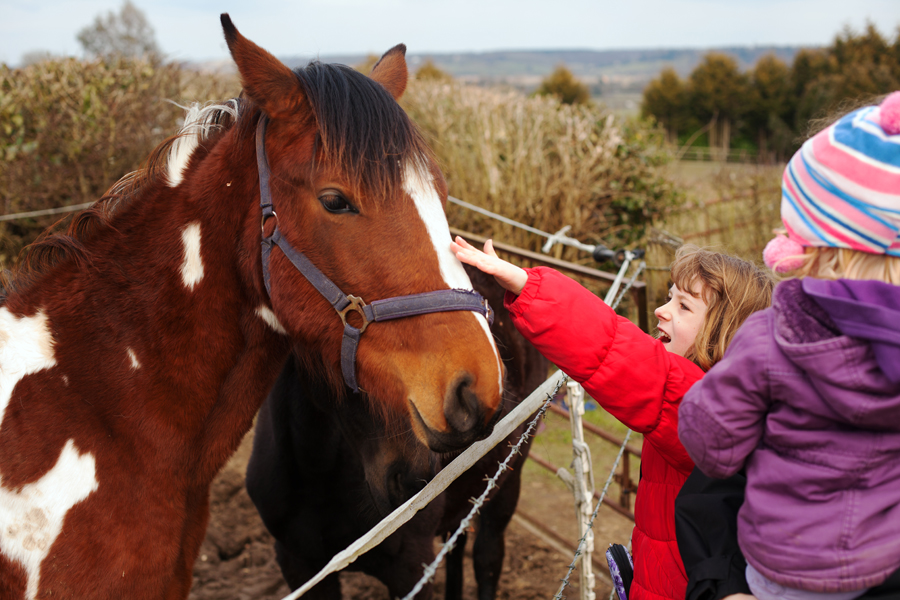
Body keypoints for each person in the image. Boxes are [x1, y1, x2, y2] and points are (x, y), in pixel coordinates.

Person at [451, 237, 773, 600]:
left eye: (683, 306)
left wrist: (529, 288)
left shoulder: (707, 405)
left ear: (725, 331)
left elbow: (612, 348)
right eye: (669, 297)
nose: (661, 311)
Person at [678, 91, 900, 600]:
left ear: (813, 249)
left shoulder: (772, 334)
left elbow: (712, 445)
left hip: (780, 572)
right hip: (881, 562)